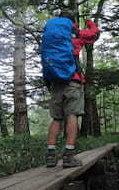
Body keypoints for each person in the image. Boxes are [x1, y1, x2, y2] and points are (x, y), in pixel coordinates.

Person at [42, 11, 99, 168]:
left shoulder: (53, 34)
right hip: (72, 80)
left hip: (55, 80)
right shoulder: (76, 36)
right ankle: (68, 156)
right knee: (72, 115)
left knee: (56, 118)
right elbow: (93, 34)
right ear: (73, 22)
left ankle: (51, 156)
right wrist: (90, 23)